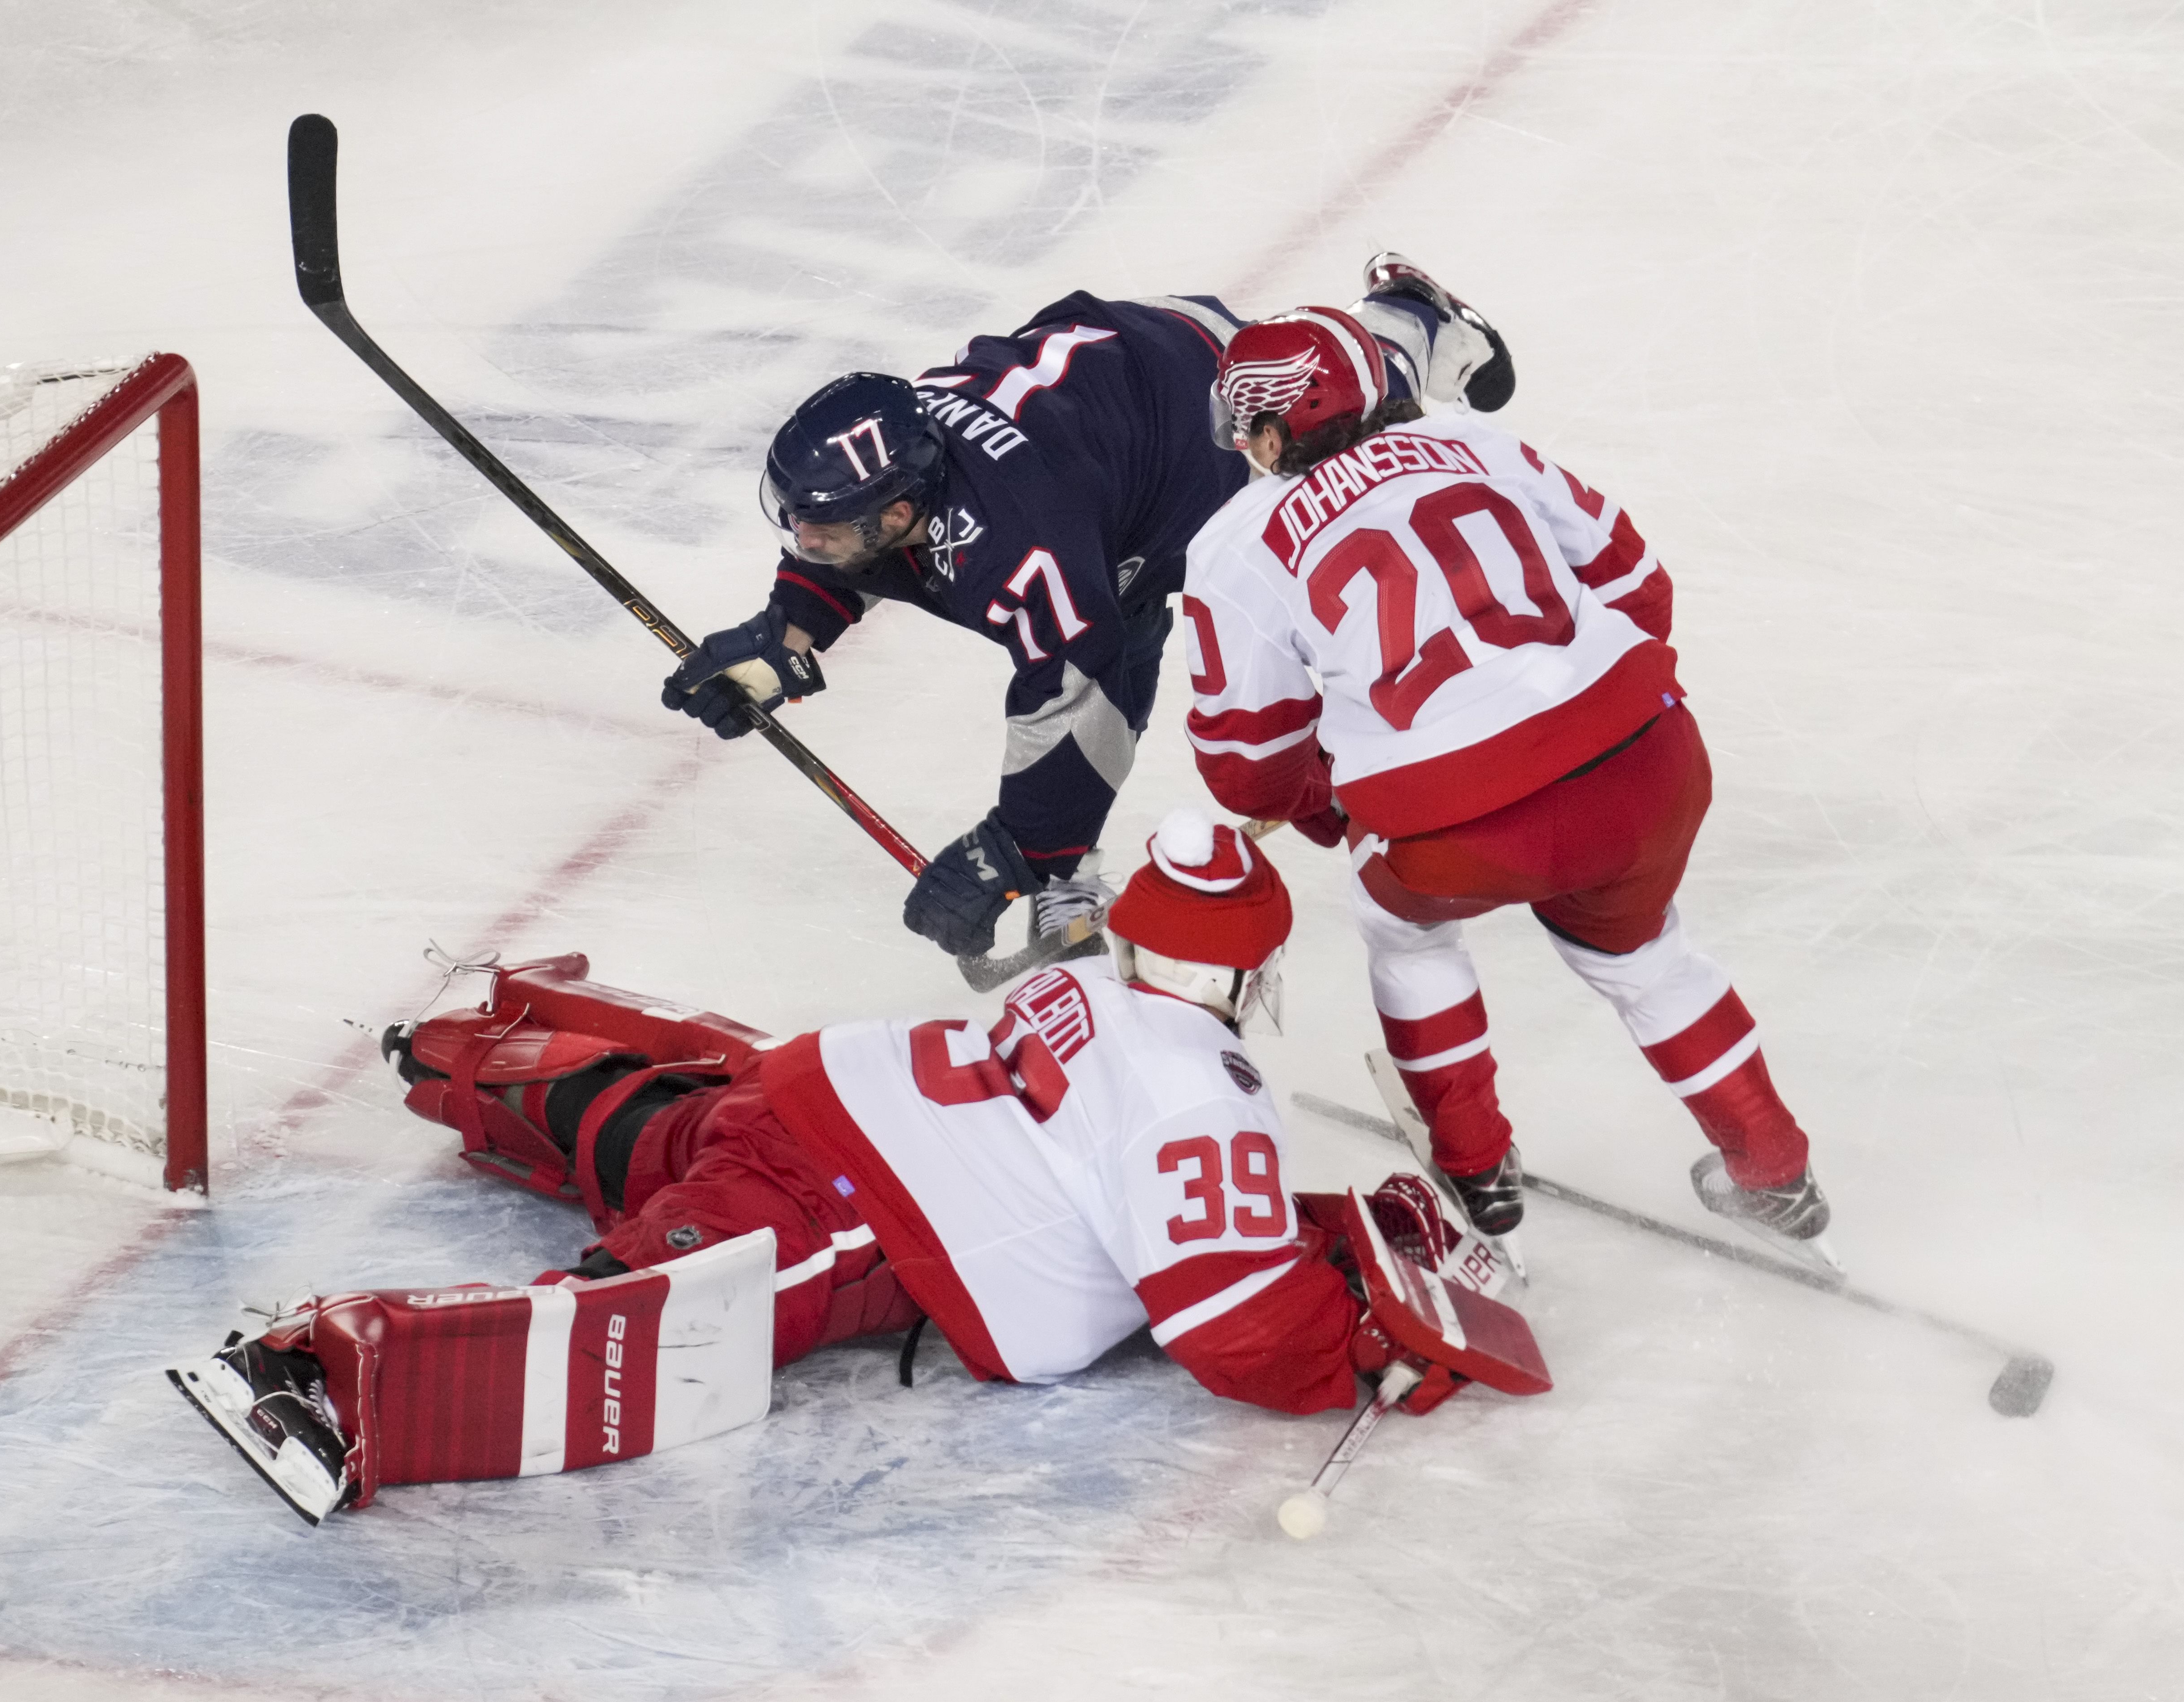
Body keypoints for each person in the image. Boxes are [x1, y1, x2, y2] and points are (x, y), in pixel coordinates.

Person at [170, 812, 1549, 1523]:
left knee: (665, 1136)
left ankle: (475, 1056)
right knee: (668, 1319)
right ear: (1252, 965)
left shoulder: (1088, 990)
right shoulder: (1210, 1091)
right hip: (849, 1212)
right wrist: (1358, 1340)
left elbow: (1147, 1203)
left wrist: (1324, 1250)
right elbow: (1235, 1324)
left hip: (794, 1101)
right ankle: (329, 1380)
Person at [1178, 306, 1831, 1253]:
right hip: (1649, 759)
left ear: (1275, 427)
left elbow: (1247, 763)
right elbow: (1639, 583)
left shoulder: (1234, 545)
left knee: (1403, 928)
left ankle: (1477, 1171)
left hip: (1454, 825)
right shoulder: (1473, 441)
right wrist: (1592, 722)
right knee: (1645, 956)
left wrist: (1335, 811)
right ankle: (1777, 1174)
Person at [657, 259, 1513, 968]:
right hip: (1119, 390)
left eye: (825, 531)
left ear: (901, 511)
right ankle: (1061, 860)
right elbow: (854, 547)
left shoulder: (1023, 541)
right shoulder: (910, 478)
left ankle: (1406, 312)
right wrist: (787, 636)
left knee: (1351, 425)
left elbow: (1076, 685)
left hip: (1206, 404)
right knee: (1114, 618)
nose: (807, 543)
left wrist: (1013, 847)